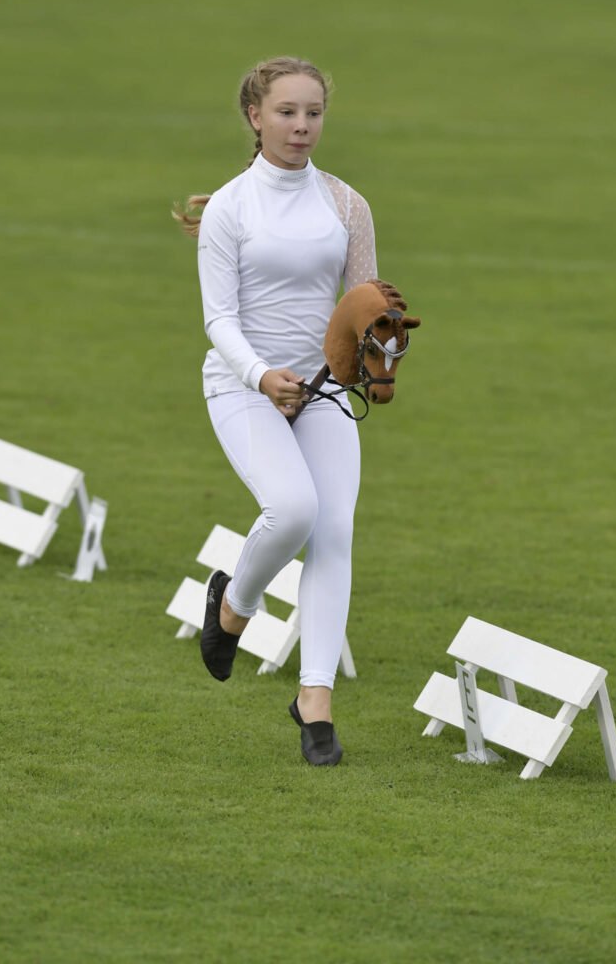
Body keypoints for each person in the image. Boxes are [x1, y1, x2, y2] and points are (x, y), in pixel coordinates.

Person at [173, 56, 378, 766]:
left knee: (334, 530)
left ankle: (315, 700)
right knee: (291, 510)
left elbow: (364, 304)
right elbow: (218, 321)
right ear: (254, 117)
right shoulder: (231, 207)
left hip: (322, 388)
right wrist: (262, 377)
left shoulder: (346, 205)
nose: (301, 126)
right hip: (243, 384)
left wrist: (379, 345)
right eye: (287, 112)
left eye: (313, 113)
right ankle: (234, 604)